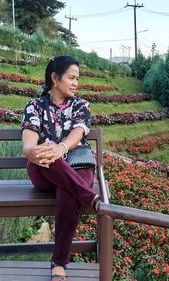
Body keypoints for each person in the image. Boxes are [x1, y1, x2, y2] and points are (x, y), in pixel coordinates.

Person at [21, 55, 100, 281]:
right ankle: (89, 196)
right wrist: (31, 151)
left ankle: (59, 264)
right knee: (46, 150)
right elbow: (29, 138)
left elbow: (79, 131)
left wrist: (62, 148)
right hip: (45, 167)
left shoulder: (81, 106)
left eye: (78, 78)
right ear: (55, 78)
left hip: (77, 165)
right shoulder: (35, 106)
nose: (76, 83)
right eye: (72, 78)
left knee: (66, 187)